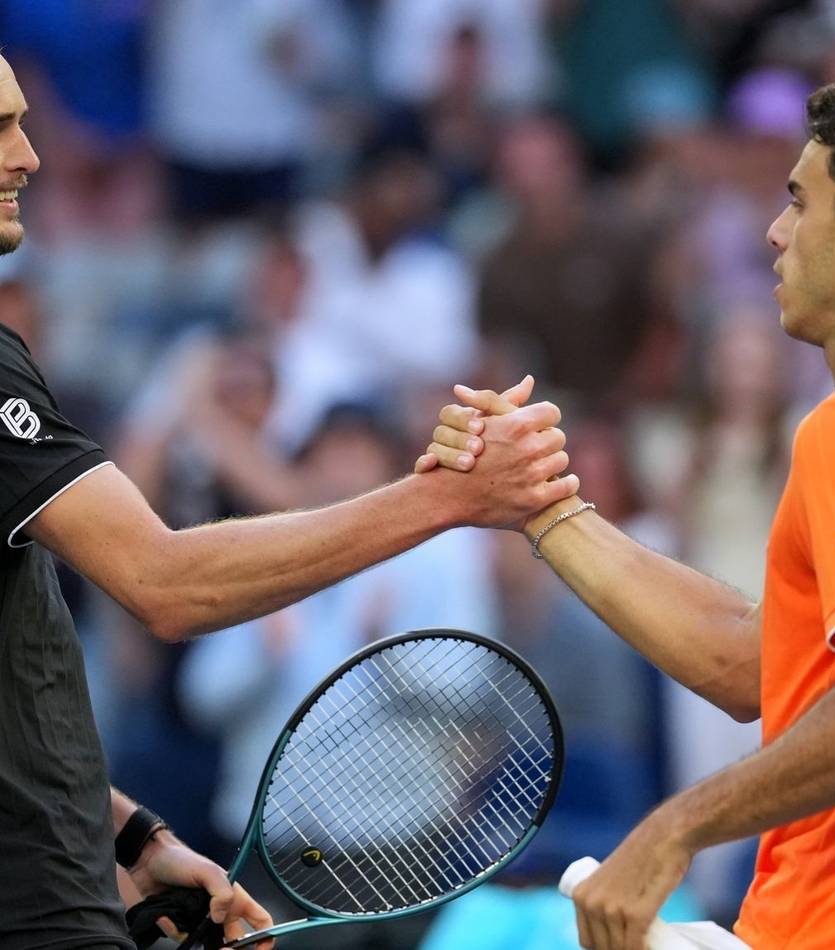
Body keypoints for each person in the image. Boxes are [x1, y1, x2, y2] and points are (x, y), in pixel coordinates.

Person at [0, 55, 578, 950]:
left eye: (24, 121)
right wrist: (451, 498)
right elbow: (165, 584)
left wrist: (128, 835)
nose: (30, 155)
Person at [419, 70, 835, 949]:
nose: (776, 233)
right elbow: (758, 666)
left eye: (797, 201)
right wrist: (544, 507)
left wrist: (676, 829)